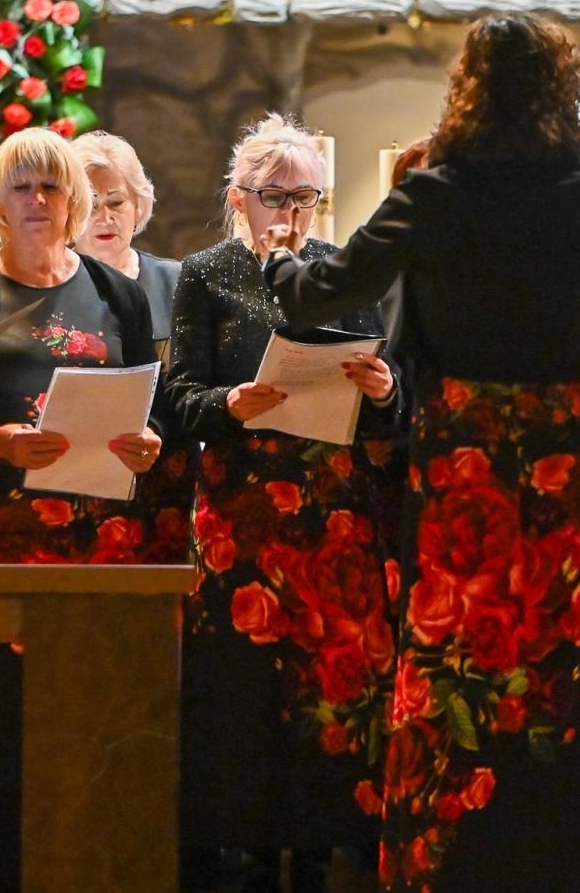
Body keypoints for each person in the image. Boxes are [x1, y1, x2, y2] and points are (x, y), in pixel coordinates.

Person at [260, 14, 580, 893]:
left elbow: (321, 294)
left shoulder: (430, 195)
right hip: (559, 468)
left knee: (456, 652)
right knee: (562, 659)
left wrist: (279, 261)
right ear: (562, 92)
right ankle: (577, 864)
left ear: (466, 89)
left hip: (460, 460)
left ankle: (451, 859)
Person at [170, 114, 402, 893]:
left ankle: (321, 856)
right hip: (243, 517)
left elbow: (388, 405)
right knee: (242, 692)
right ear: (241, 198)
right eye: (276, 197)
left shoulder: (344, 269)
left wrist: (383, 388)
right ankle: (243, 858)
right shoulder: (207, 272)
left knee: (332, 687)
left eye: (307, 198)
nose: (293, 215)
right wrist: (230, 401)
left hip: (333, 511)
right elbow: (177, 399)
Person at [0, 126, 165, 563]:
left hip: (99, 530)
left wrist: (151, 438)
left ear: (74, 200)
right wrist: (0, 442)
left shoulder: (119, 293)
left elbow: (155, 401)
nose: (36, 199)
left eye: (50, 187)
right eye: (21, 187)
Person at [72, 129, 191, 564]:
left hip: (164, 483)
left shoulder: (180, 283)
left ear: (138, 205)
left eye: (116, 202)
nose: (104, 217)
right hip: (75, 479)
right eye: (90, 204)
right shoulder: (54, 286)